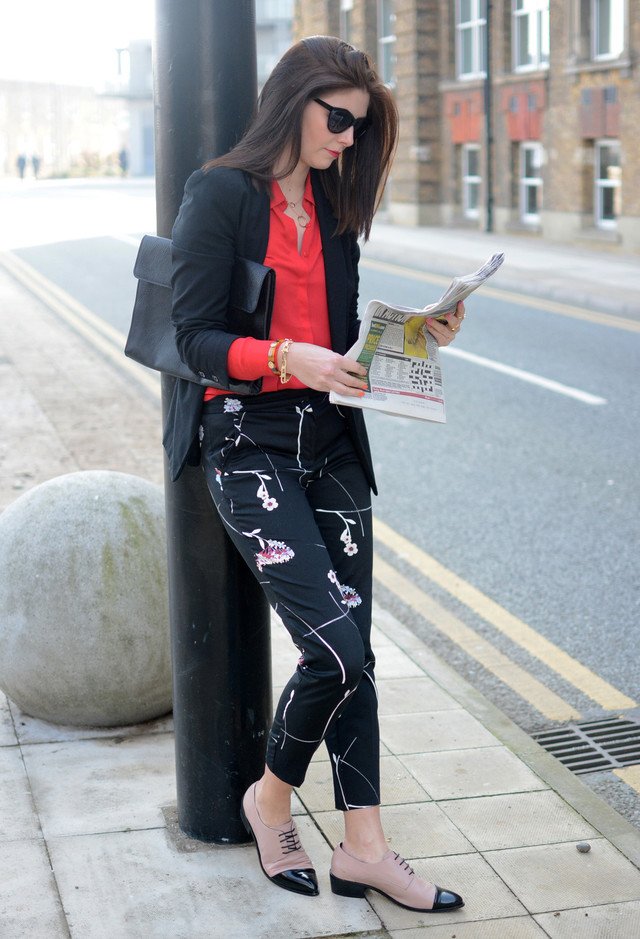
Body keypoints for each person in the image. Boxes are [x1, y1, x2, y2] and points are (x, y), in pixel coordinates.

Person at [168, 36, 465, 912]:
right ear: (293, 100)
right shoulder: (220, 193)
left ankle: (364, 846)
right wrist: (285, 354)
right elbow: (192, 339)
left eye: (358, 127)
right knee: (334, 647)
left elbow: (348, 336)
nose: (346, 139)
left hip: (330, 439)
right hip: (247, 437)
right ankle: (270, 800)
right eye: (338, 119)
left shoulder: (333, 206)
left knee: (358, 653)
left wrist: (415, 336)